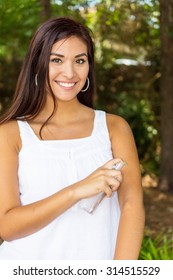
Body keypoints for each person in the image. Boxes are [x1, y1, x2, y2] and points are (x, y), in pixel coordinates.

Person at [0, 17, 145, 260]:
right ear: (38, 65)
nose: (69, 72)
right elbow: (7, 226)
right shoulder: (10, 134)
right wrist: (76, 190)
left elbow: (132, 205)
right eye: (56, 60)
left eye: (80, 60)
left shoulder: (114, 128)